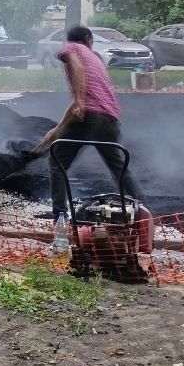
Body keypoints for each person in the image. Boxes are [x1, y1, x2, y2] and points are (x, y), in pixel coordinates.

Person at [43, 25, 143, 247]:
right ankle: (142, 212)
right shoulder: (95, 58)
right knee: (118, 168)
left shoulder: (71, 48)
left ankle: (60, 218)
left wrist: (79, 100)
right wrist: (57, 130)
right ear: (89, 41)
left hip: (90, 116)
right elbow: (80, 103)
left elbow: (77, 72)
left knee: (57, 162)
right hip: (110, 120)